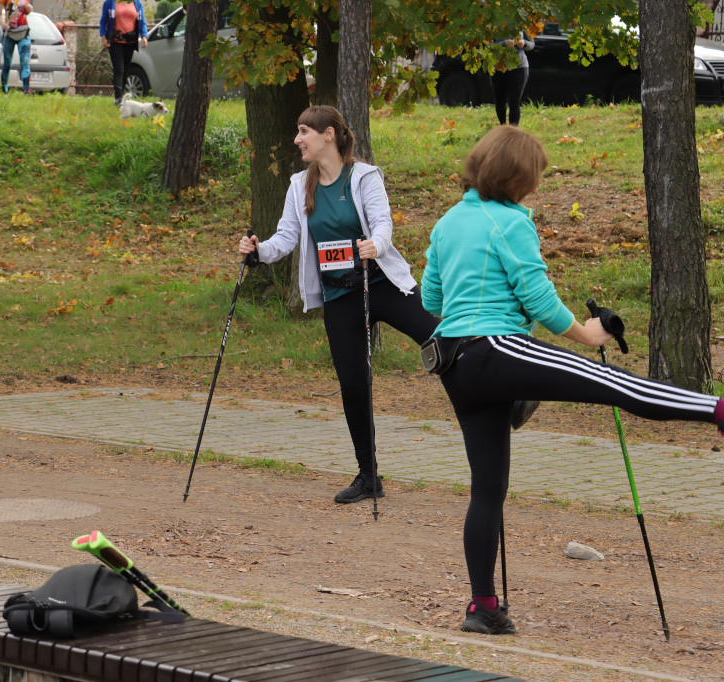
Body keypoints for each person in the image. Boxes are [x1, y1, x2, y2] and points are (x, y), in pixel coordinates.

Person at [420, 125, 724, 635]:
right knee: (613, 385)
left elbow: (432, 299)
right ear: (516, 176)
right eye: (532, 177)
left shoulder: (448, 221)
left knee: (487, 489)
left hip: (455, 366)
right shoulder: (510, 221)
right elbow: (538, 298)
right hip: (497, 348)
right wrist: (589, 333)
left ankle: (483, 607)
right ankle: (716, 410)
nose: (534, 188)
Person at [238, 105, 440, 505]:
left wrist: (375, 245)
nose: (297, 140)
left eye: (303, 132)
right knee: (353, 385)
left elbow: (382, 223)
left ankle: (503, 393)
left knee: (442, 340)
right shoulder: (300, 185)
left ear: (328, 134)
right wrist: (258, 252)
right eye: (298, 132)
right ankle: (369, 477)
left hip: (380, 283)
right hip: (340, 296)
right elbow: (286, 238)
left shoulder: (364, 176)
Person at [99, 0, 148, 105]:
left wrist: (144, 36)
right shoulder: (110, 3)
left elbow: (142, 21)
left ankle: (121, 95)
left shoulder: (136, 3)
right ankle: (118, 98)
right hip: (116, 42)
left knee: (126, 70)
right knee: (119, 69)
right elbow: (103, 21)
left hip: (131, 41)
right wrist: (103, 36)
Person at [490, 31, 534, 126]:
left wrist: (524, 43)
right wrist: (504, 44)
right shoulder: (493, 21)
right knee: (500, 102)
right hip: (499, 67)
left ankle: (513, 132)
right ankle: (503, 126)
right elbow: (487, 46)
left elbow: (532, 44)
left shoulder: (521, 19)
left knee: (514, 101)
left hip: (519, 66)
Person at [0, 0, 33, 94]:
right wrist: (3, 25)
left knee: (24, 62)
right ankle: (4, 90)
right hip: (9, 34)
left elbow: (28, 11)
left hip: (23, 33)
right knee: (7, 63)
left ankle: (26, 90)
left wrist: (29, 8)